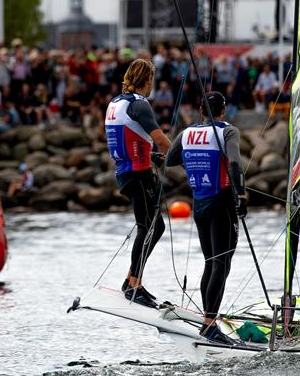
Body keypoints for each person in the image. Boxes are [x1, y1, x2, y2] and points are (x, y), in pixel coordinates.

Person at [166, 91, 246, 345]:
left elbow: (169, 159)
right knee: (221, 263)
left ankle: (207, 320)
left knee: (211, 262)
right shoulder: (228, 132)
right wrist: (241, 196)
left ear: (201, 111)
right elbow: (234, 163)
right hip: (222, 203)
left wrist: (194, 161)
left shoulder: (186, 134)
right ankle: (210, 324)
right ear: (223, 111)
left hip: (199, 205)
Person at [105, 58, 171, 308]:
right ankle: (134, 285)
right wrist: (185, 158)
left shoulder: (115, 103)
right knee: (148, 227)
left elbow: (124, 138)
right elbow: (161, 140)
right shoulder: (140, 105)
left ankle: (131, 280)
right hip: (138, 174)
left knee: (155, 226)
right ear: (148, 80)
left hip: (126, 172)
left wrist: (150, 155)